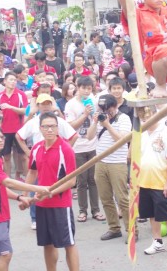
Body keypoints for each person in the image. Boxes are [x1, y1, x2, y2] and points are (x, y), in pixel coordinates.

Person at [0, 125, 50, 271]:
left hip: (0, 213)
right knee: (5, 254)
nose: (0, 140)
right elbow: (7, 182)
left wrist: (19, 198)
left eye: (2, 137)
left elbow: (1, 187)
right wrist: (37, 188)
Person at [25, 112, 79, 270]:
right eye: (46, 126)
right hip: (42, 205)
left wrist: (50, 192)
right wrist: (24, 195)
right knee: (47, 244)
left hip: (61, 204)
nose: (49, 129)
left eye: (53, 126)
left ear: (58, 128)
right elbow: (32, 172)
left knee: (68, 243)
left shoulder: (66, 149)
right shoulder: (36, 148)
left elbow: (71, 181)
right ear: (40, 128)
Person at [137, 106, 167, 262]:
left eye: (148, 116)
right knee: (151, 214)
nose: (145, 119)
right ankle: (157, 241)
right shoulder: (142, 133)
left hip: (160, 182)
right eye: (143, 117)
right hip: (144, 181)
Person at [86, 94, 132, 241]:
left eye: (108, 109)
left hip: (117, 163)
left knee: (122, 199)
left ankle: (132, 230)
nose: (106, 111)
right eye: (102, 109)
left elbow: (122, 139)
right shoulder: (100, 118)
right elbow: (89, 136)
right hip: (100, 162)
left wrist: (107, 125)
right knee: (105, 198)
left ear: (115, 106)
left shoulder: (123, 118)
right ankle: (114, 228)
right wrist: (95, 123)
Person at [65, 76, 104, 223]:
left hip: (94, 145)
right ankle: (82, 211)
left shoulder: (94, 100)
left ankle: (96, 210)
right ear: (77, 86)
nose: (87, 91)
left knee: (93, 180)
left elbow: (99, 119)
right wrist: (85, 114)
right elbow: (71, 127)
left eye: (89, 88)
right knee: (81, 181)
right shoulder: (71, 105)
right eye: (84, 88)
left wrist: (95, 116)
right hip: (78, 147)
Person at [0, 72, 28, 177]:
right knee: (6, 157)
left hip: (19, 129)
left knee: (23, 155)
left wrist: (11, 107)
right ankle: (8, 179)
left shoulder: (20, 94)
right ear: (5, 81)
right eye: (10, 80)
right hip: (4, 130)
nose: (13, 82)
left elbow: (25, 111)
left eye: (15, 80)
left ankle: (28, 178)